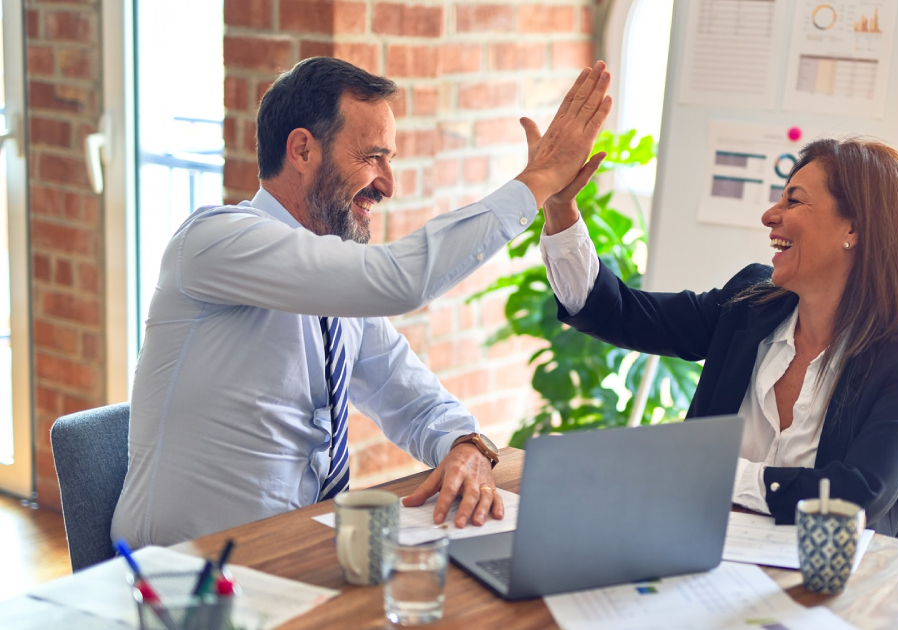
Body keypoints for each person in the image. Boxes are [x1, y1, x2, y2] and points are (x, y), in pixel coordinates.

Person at [112, 56, 612, 547]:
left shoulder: (336, 289)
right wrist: (539, 181)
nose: (388, 184)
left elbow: (411, 397)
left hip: (297, 556)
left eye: (389, 160)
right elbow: (400, 280)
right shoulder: (215, 241)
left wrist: (466, 445)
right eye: (373, 156)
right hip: (184, 580)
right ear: (303, 151)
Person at [539, 137, 898, 535]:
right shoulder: (749, 305)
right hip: (700, 555)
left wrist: (712, 472)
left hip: (831, 587)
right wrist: (560, 208)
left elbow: (853, 498)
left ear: (854, 229)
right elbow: (619, 313)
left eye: (793, 200)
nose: (770, 215)